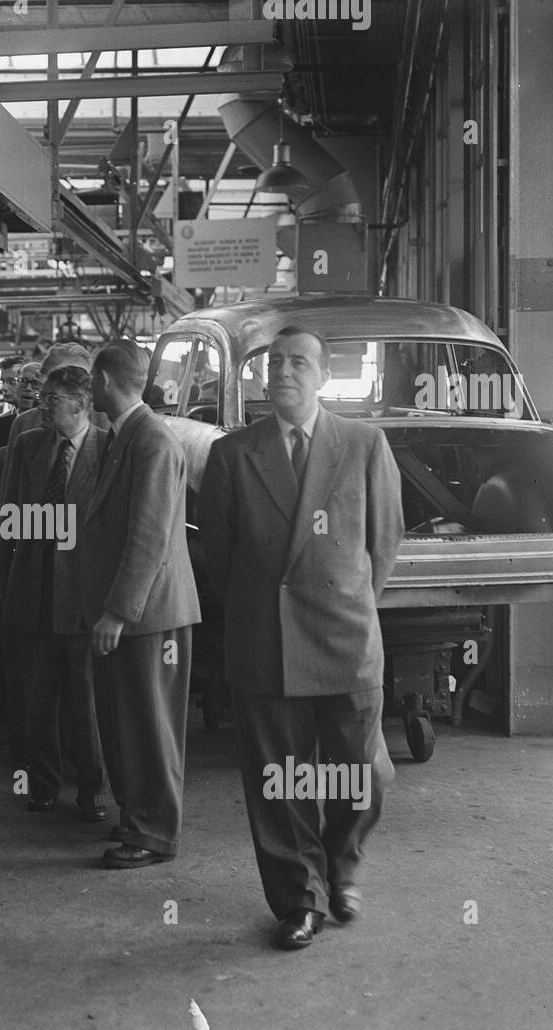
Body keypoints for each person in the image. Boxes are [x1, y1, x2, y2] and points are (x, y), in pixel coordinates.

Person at [198, 325, 404, 949]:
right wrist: (262, 605)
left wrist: (353, 601)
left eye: (297, 363)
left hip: (345, 637)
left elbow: (384, 541)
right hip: (268, 642)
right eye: (274, 364)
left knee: (357, 774)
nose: (283, 372)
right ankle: (300, 899)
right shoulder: (234, 454)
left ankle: (343, 868)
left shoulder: (364, 444)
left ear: (322, 376)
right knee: (281, 783)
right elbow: (218, 554)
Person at [82, 341, 200, 868]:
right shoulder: (126, 435)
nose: (88, 390)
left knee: (149, 726)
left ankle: (153, 833)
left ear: (104, 381)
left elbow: (148, 536)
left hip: (148, 615)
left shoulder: (150, 440)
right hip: (137, 612)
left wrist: (117, 613)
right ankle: (138, 819)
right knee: (128, 721)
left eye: (90, 381)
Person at [0, 365, 107, 820]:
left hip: (83, 596)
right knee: (37, 699)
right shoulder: (28, 447)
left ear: (80, 403)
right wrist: (0, 586)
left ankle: (93, 791)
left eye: (52, 398)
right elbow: (9, 521)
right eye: (42, 397)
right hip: (33, 589)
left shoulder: (109, 449)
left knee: (86, 703)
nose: (42, 405)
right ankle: (43, 785)